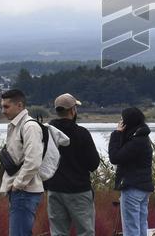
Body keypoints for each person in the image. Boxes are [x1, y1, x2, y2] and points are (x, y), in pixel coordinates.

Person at [46, 93, 101, 236]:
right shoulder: (82, 133)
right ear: (72, 110)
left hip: (54, 188)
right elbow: (93, 164)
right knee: (85, 231)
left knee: (58, 232)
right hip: (79, 190)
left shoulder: (47, 133)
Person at [0, 89, 46, 236]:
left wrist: (17, 185)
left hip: (25, 191)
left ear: (19, 105)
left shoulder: (29, 126)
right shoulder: (17, 126)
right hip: (22, 192)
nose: (3, 111)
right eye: (2, 107)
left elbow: (33, 161)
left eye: (6, 107)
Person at [108, 107, 155, 236]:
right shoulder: (142, 137)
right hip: (143, 188)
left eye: (122, 120)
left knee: (131, 229)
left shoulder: (136, 142)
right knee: (142, 225)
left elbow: (114, 157)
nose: (120, 123)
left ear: (128, 122)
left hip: (132, 188)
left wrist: (116, 134)